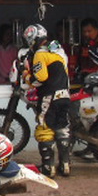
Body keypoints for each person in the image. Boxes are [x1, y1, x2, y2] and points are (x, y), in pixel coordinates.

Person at [22, 23, 72, 178]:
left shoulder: (40, 54)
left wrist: (26, 76)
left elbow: (40, 78)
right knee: (62, 127)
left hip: (50, 96)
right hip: (65, 95)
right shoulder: (59, 51)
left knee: (45, 128)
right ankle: (65, 165)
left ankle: (48, 167)